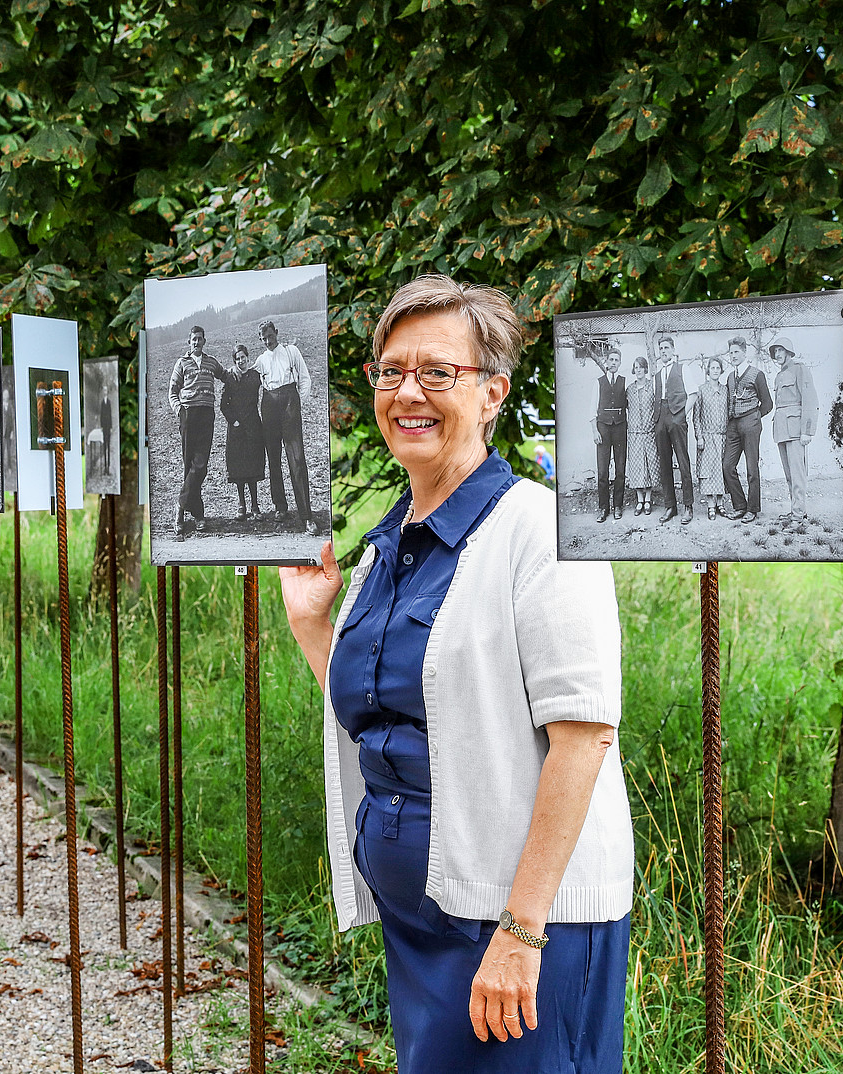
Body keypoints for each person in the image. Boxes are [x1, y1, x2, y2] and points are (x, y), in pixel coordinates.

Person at [279, 275, 631, 1074]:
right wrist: (313, 625)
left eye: (438, 372)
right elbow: (379, 710)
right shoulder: (384, 547)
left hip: (518, 923)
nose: (410, 391)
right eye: (391, 370)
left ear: (492, 392)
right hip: (427, 914)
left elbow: (584, 736)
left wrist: (523, 930)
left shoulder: (540, 531)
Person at [255, 319, 318, 535]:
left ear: (277, 333)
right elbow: (248, 380)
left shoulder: (291, 352)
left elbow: (305, 378)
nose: (267, 341)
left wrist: (299, 402)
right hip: (269, 406)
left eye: (270, 336)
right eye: (263, 339)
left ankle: (306, 516)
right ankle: (280, 506)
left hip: (290, 403)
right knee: (273, 459)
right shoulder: (261, 360)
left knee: (297, 459)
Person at [168, 325, 227, 536]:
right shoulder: (182, 363)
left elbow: (226, 376)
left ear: (204, 341)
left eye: (200, 339)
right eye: (193, 339)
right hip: (189, 415)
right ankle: (196, 514)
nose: (197, 342)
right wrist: (179, 411)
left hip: (206, 416)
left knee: (200, 466)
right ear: (189, 341)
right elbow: (172, 391)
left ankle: (180, 505)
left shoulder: (211, 362)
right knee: (189, 465)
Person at [721, 336, 772, 523]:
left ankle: (752, 509)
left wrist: (755, 418)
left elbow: (767, 403)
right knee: (727, 466)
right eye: (731, 352)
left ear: (744, 352)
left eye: (736, 352)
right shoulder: (730, 376)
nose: (733, 355)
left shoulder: (756, 374)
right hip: (733, 425)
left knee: (752, 468)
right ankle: (740, 506)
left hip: (750, 423)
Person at [769, 336, 818, 518]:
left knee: (798, 475)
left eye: (780, 350)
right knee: (789, 475)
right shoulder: (780, 375)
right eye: (775, 351)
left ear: (789, 351)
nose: (777, 354)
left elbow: (810, 400)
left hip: (796, 430)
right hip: (782, 430)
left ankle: (799, 515)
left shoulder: (800, 369)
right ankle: (796, 511)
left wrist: (807, 431)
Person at [219, 344, 267, 520]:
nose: (241, 361)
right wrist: (235, 421)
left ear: (248, 357)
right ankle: (242, 505)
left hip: (254, 426)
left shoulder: (255, 376)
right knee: (238, 467)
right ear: (235, 361)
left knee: (253, 465)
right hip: (237, 429)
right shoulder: (230, 378)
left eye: (243, 357)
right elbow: (224, 405)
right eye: (237, 358)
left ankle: (255, 505)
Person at [651, 336, 694, 524]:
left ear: (673, 349)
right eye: (661, 348)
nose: (663, 351)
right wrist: (657, 420)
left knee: (683, 462)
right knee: (664, 464)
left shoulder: (684, 369)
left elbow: (693, 394)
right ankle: (670, 506)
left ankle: (688, 507)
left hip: (677, 417)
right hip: (661, 419)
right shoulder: (657, 374)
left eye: (666, 347)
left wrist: (681, 416)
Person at [588, 345, 627, 521]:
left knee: (620, 469)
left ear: (619, 363)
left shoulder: (625, 381)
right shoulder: (598, 382)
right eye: (610, 360)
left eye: (616, 360)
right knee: (602, 471)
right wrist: (595, 431)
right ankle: (603, 508)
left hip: (620, 428)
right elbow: (591, 409)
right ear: (606, 362)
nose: (613, 363)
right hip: (603, 428)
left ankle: (618, 505)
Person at [691, 357, 731, 519]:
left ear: (721, 370)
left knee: (721, 471)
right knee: (708, 472)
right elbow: (696, 417)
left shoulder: (726, 391)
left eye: (717, 368)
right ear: (708, 371)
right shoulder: (701, 390)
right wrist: (699, 437)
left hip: (722, 437)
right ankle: (711, 505)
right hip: (707, 437)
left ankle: (720, 504)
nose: (715, 370)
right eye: (712, 368)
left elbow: (729, 413)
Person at [625, 356, 659, 515]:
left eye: (640, 367)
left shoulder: (652, 388)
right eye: (635, 367)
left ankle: (648, 499)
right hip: (634, 434)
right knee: (637, 466)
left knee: (650, 464)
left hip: (649, 433)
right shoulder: (629, 390)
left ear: (645, 369)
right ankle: (639, 500)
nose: (638, 370)